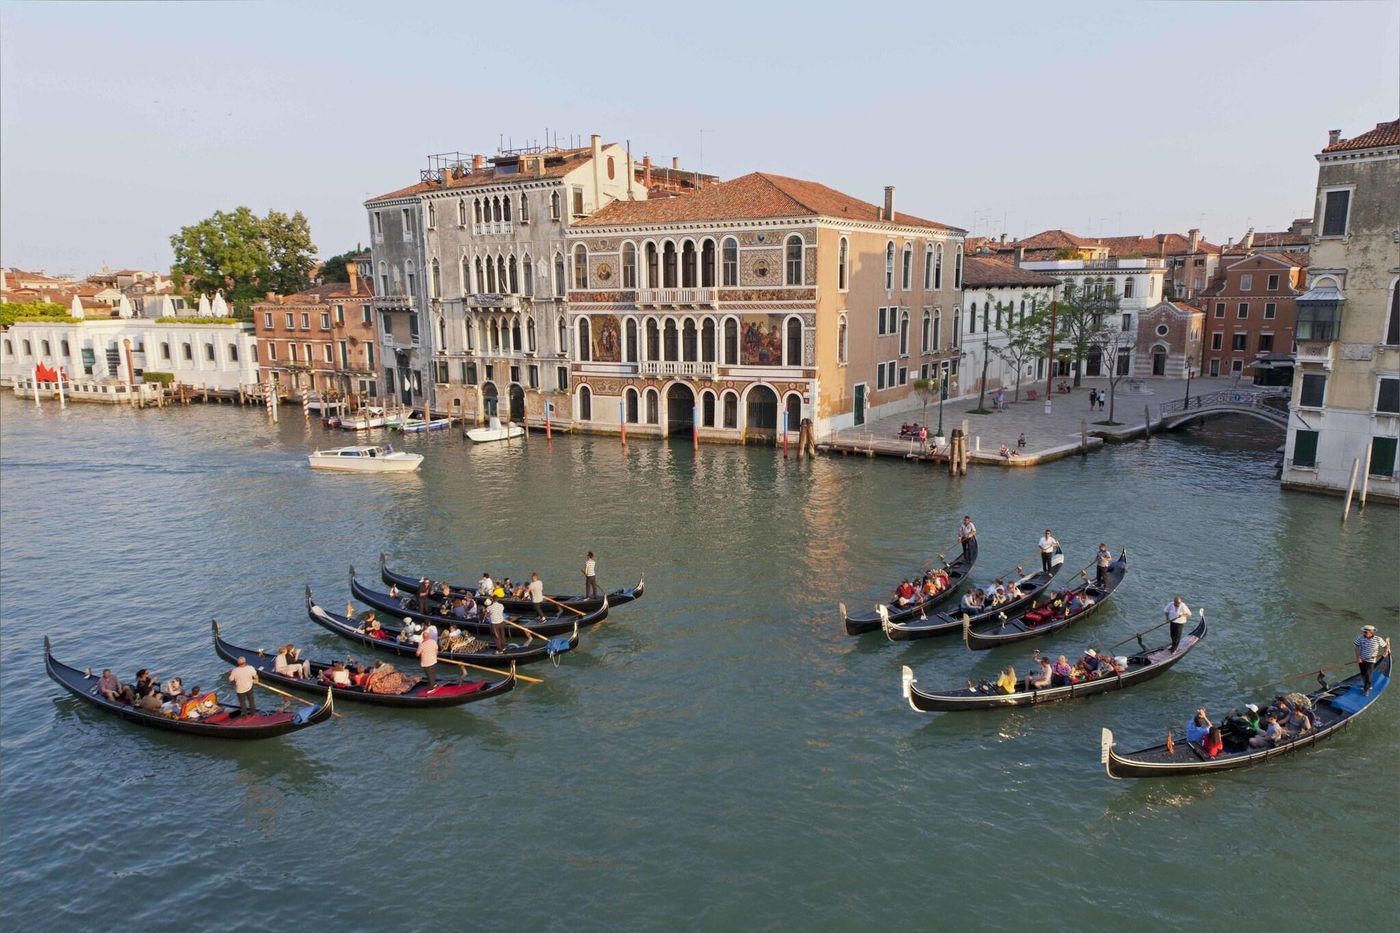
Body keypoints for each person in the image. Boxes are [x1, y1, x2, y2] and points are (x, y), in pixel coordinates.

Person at [1354, 624, 1388, 695]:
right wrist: (1358, 657)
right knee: (1363, 673)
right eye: (1364, 632)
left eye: (1366, 632)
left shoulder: (1378, 639)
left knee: (1368, 675)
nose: (1364, 633)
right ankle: (1365, 685)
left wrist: (1385, 652)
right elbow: (1357, 647)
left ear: (1371, 632)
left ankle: (1366, 689)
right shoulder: (1360, 638)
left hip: (1371, 661)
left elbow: (1385, 646)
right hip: (1362, 659)